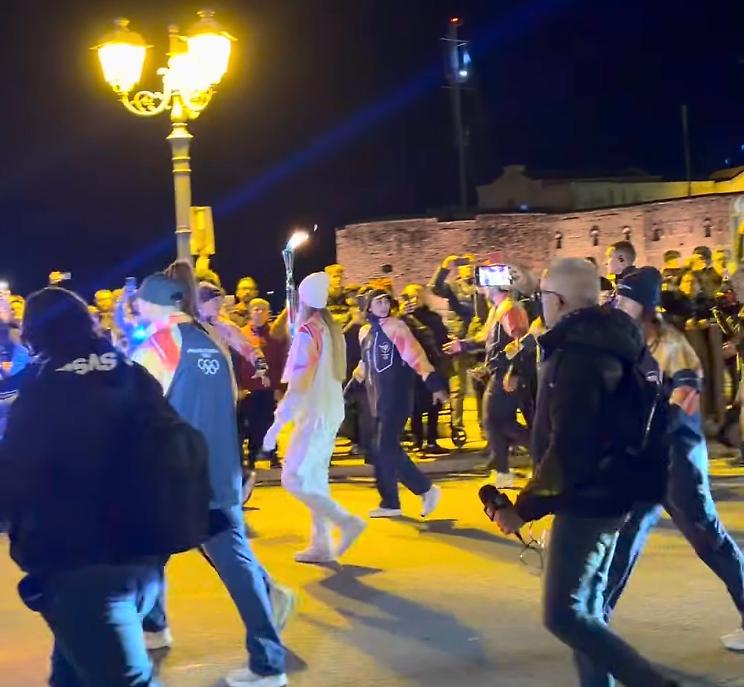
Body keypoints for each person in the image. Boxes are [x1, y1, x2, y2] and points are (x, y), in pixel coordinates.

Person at [491, 257, 677, 687]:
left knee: (564, 615)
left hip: (589, 497)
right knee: (588, 612)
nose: (538, 304)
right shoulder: (615, 338)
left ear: (556, 301)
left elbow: (570, 447)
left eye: (542, 297)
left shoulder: (577, 357)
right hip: (621, 487)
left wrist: (523, 509)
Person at [0, 287, 166, 687]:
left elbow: (15, 478)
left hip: (81, 568)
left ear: (36, 335)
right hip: (145, 559)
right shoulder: (131, 374)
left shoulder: (42, 392)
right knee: (71, 673)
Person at [133, 263, 289, 687]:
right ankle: (154, 626)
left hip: (179, 477)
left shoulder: (159, 345)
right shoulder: (210, 341)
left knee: (223, 563)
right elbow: (228, 402)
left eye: (140, 301)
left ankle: (268, 664)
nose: (137, 308)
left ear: (153, 303)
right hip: (219, 471)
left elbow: (132, 410)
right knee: (156, 549)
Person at [609, 267, 744, 655]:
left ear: (644, 304)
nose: (617, 304)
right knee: (626, 534)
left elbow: (685, 392)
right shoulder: (630, 342)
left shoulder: (671, 343)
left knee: (708, 539)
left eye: (624, 298)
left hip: (679, 458)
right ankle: (592, 619)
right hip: (647, 459)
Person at [262, 272, 366, 563]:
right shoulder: (330, 330)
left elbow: (299, 384)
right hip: (330, 411)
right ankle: (321, 543)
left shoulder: (309, 333)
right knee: (315, 479)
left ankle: (345, 521)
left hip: (315, 414)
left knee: (293, 478)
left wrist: (277, 424)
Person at [352, 289, 448, 518]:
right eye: (378, 302)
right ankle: (391, 502)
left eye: (386, 301)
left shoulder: (396, 327)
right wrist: (351, 385)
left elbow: (416, 356)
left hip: (397, 397)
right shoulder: (365, 332)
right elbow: (365, 364)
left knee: (385, 447)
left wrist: (434, 384)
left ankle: (425, 489)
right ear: (368, 306)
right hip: (377, 399)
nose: (384, 306)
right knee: (379, 451)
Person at [445, 277, 530, 486]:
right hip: (501, 373)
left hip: (506, 375)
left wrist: (513, 371)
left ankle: (538, 458)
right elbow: (486, 339)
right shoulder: (498, 309)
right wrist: (463, 346)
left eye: (482, 284)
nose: (479, 288)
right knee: (501, 423)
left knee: (493, 421)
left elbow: (521, 341)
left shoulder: (509, 309)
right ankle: (506, 470)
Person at [429, 254, 482, 442]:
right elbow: (435, 287)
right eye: (463, 265)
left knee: (481, 386)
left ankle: (484, 426)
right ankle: (457, 426)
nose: (467, 268)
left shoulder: (482, 287)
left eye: (470, 264)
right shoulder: (454, 287)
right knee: (458, 388)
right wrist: (444, 267)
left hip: (479, 340)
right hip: (460, 341)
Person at [238, 298, 289, 470]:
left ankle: (272, 454)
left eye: (262, 309)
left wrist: (281, 387)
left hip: (270, 388)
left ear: (268, 313)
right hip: (249, 388)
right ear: (250, 313)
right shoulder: (241, 333)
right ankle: (252, 456)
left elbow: (283, 361)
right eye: (255, 309)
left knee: (270, 421)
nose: (259, 312)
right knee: (252, 423)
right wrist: (239, 386)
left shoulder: (276, 335)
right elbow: (237, 362)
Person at [400, 283, 451, 454]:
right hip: (413, 367)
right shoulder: (403, 319)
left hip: (433, 364)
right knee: (415, 406)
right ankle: (417, 440)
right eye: (411, 297)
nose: (415, 300)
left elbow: (442, 338)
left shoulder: (433, 317)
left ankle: (431, 441)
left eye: (418, 296)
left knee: (434, 404)